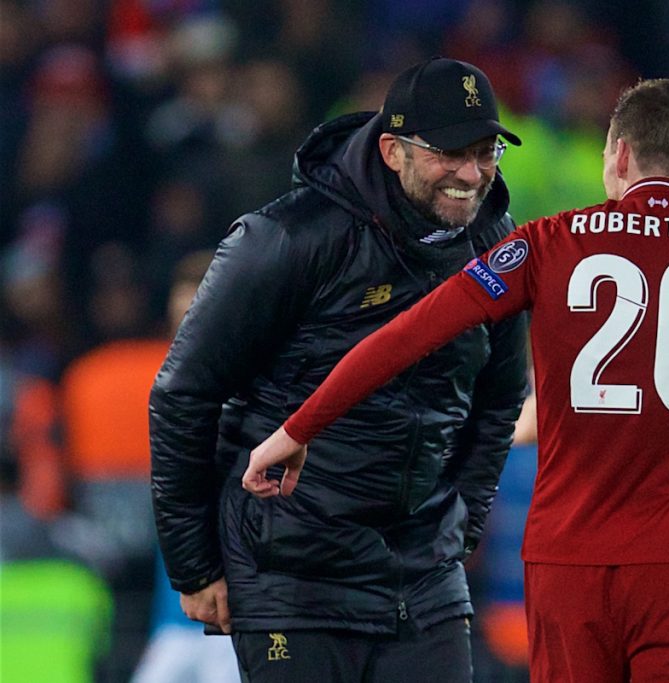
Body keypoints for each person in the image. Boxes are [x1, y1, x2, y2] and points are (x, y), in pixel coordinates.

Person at [245, 78, 669, 682]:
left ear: (617, 156)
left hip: (570, 561)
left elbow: (406, 336)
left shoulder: (547, 242)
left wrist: (299, 428)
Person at [149, 57, 528, 683]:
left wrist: (459, 528)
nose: (471, 173)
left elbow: (499, 400)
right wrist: (194, 567)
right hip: (292, 580)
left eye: (486, 152)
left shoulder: (495, 245)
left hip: (425, 582)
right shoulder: (285, 239)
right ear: (391, 150)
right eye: (449, 153)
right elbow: (183, 395)